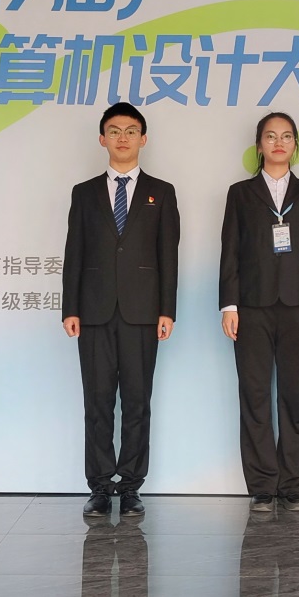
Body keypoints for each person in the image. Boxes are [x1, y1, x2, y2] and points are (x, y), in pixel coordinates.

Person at [63, 102, 180, 517]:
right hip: (93, 311)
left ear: (143, 139)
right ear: (102, 139)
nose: (123, 137)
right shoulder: (84, 192)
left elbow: (169, 254)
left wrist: (167, 309)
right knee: (97, 403)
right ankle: (99, 486)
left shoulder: (161, 192)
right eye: (114, 131)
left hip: (143, 313)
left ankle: (130, 486)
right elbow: (74, 253)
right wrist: (70, 307)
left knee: (136, 402)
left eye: (131, 131)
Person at [219, 112, 299, 513]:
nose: (278, 143)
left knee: (294, 396)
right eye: (270, 136)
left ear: (295, 145)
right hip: (252, 306)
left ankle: (293, 485)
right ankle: (262, 486)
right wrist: (229, 304)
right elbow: (230, 250)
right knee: (254, 396)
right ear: (259, 145)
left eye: (286, 136)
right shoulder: (240, 193)